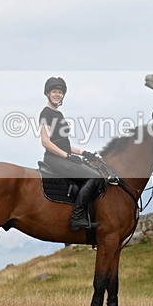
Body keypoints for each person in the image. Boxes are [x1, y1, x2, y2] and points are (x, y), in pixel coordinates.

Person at [39, 76, 102, 231]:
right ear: (48, 93)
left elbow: (64, 144)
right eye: (54, 91)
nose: (57, 94)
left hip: (63, 156)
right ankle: (76, 218)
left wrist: (83, 152)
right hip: (55, 158)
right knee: (95, 177)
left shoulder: (58, 115)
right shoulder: (46, 113)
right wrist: (67, 156)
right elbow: (46, 142)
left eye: (60, 92)